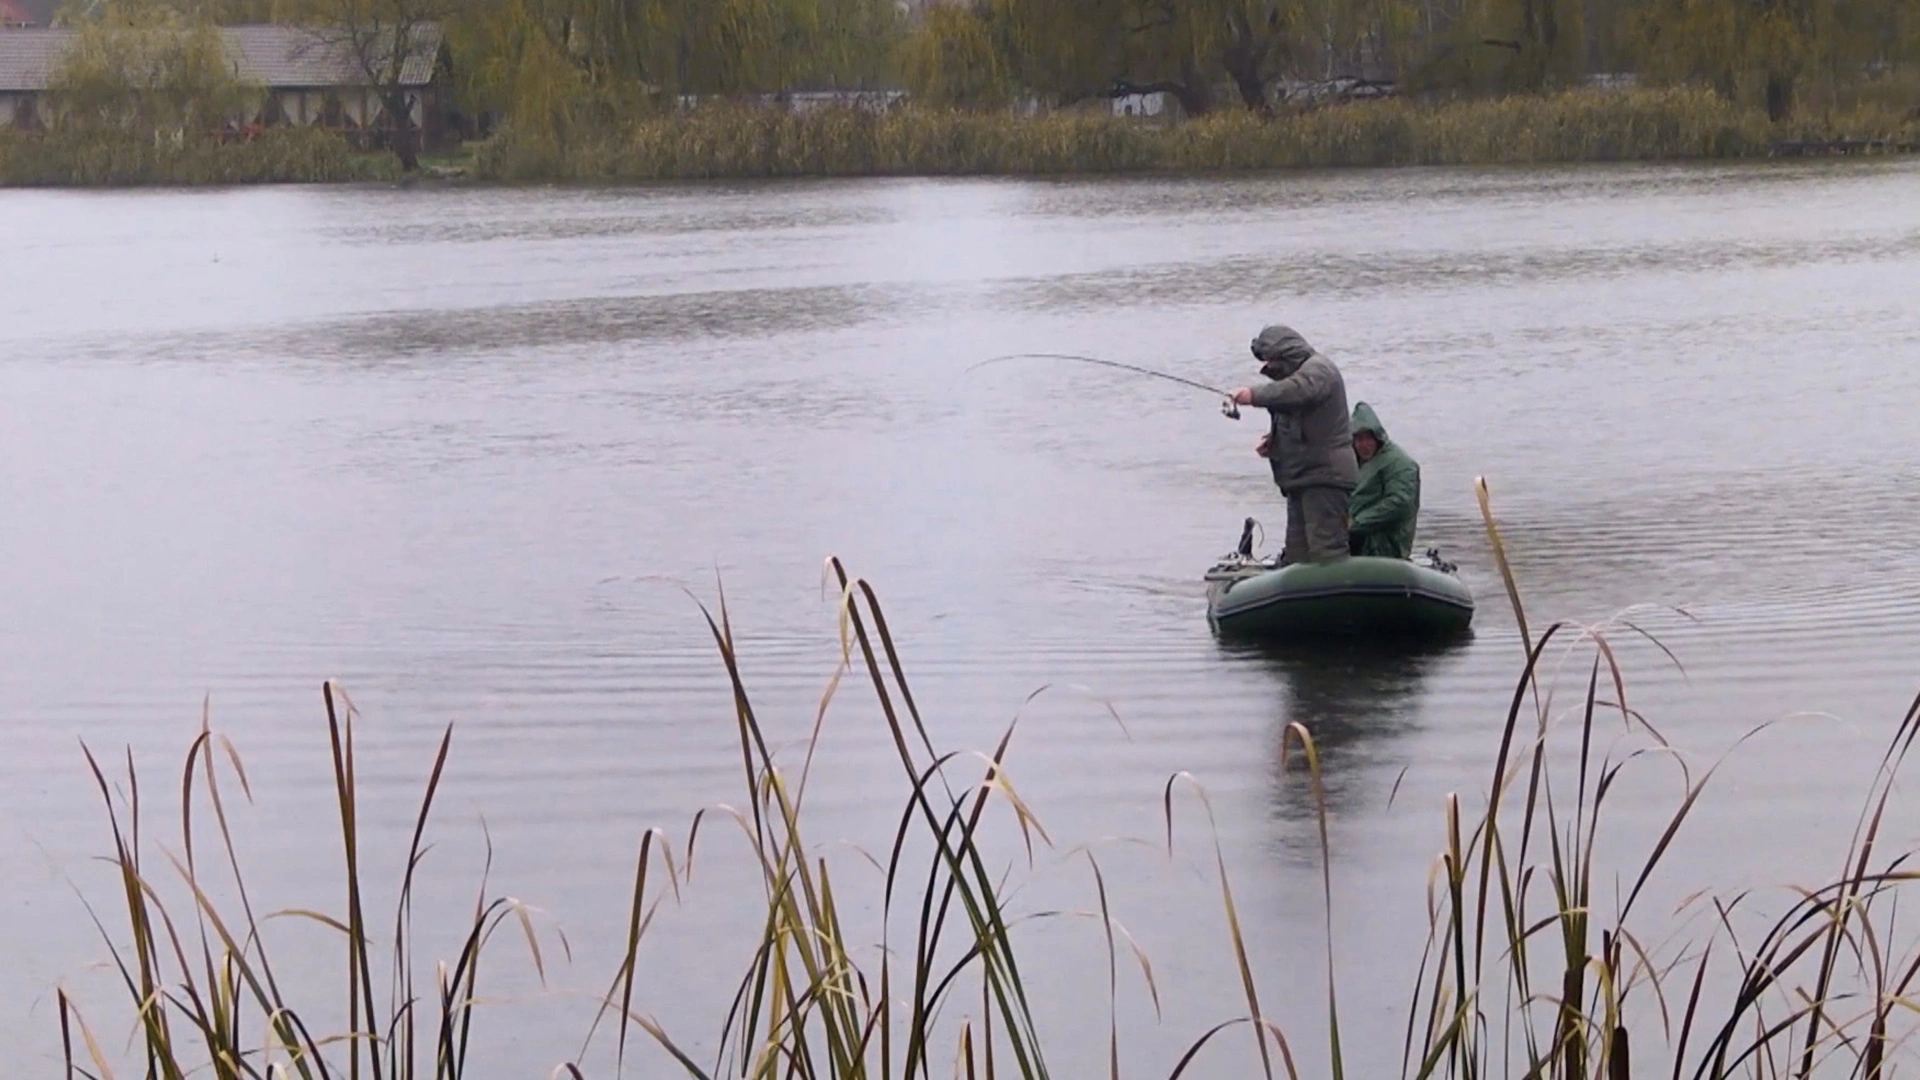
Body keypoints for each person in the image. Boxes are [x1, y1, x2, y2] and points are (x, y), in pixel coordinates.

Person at [1230, 325, 1358, 564]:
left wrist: (1252, 396)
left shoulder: (1319, 369)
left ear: (1286, 354)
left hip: (1324, 477)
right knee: (1298, 556)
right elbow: (1299, 420)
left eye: (1272, 360)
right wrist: (1274, 442)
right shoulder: (1296, 376)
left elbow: (1298, 391)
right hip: (1301, 479)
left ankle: (1335, 598)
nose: (1269, 367)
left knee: (1326, 553)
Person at [1346, 401, 1420, 559]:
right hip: (1355, 538)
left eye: (1368, 439)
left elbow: (1399, 502)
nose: (1364, 445)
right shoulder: (1355, 463)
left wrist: (1356, 523)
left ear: (1377, 438)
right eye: (1359, 440)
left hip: (1385, 544)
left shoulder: (1399, 463)